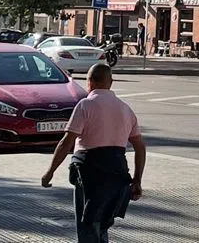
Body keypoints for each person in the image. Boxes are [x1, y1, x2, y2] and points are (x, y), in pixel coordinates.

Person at [41, 63, 145, 243]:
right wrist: (137, 181)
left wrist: (49, 172)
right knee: (102, 225)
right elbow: (140, 147)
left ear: (89, 82)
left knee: (88, 225)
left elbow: (67, 142)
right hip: (117, 175)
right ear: (110, 82)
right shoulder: (126, 109)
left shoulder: (85, 105)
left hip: (89, 175)